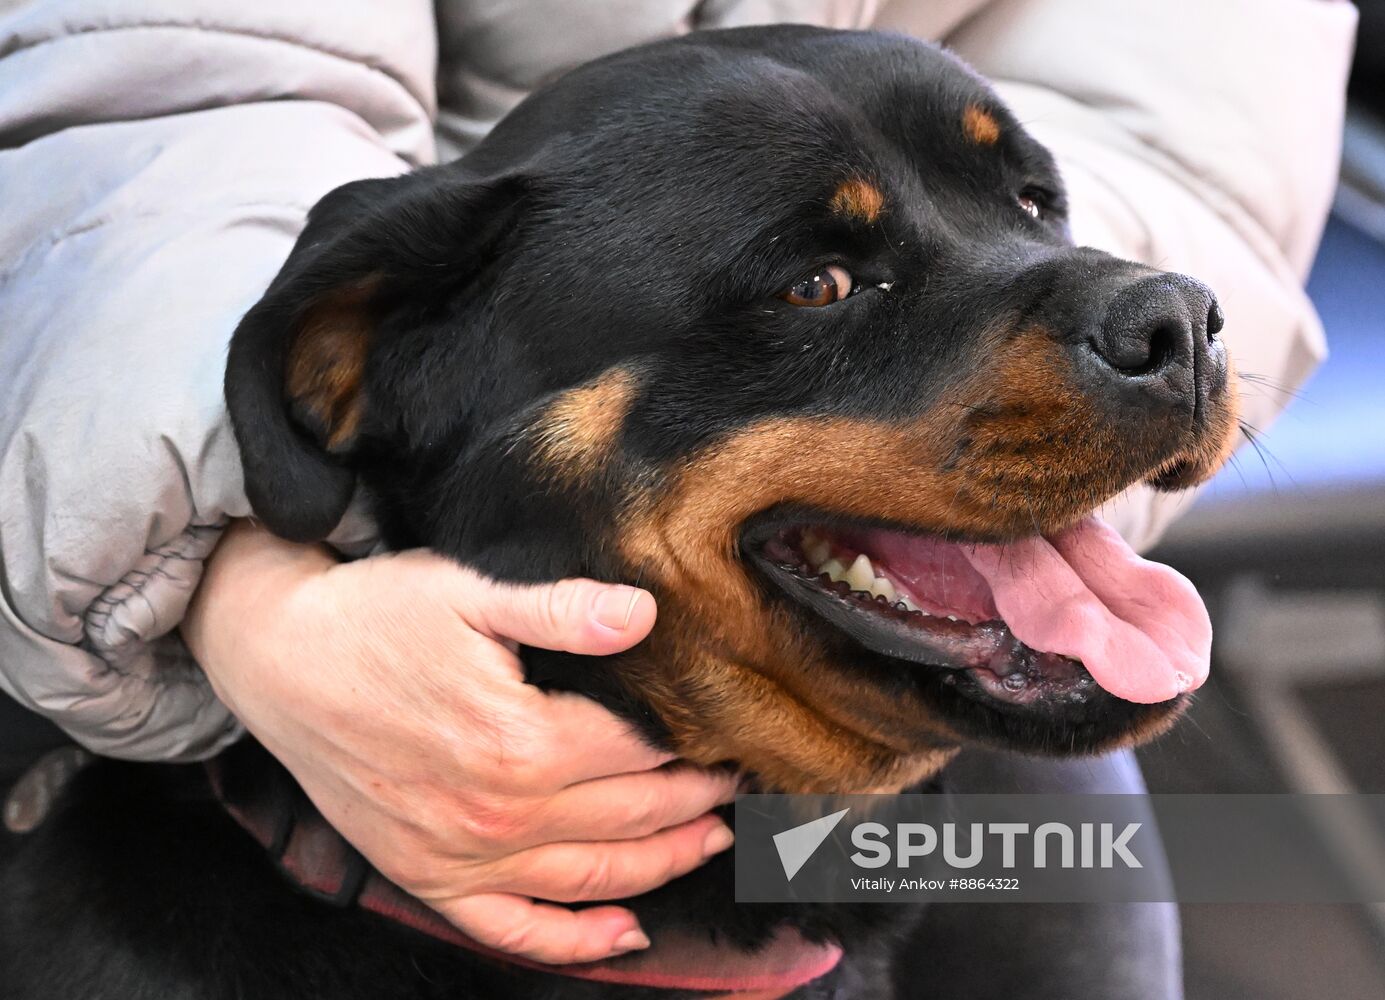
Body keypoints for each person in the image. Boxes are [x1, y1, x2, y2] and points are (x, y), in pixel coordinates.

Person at [0, 0, 1357, 987]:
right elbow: (144, 117)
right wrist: (245, 594)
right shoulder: (404, 324)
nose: (1156, 321)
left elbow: (1187, 149)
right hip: (171, 510)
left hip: (865, 776)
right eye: (816, 284)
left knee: (1097, 903)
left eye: (1027, 208)